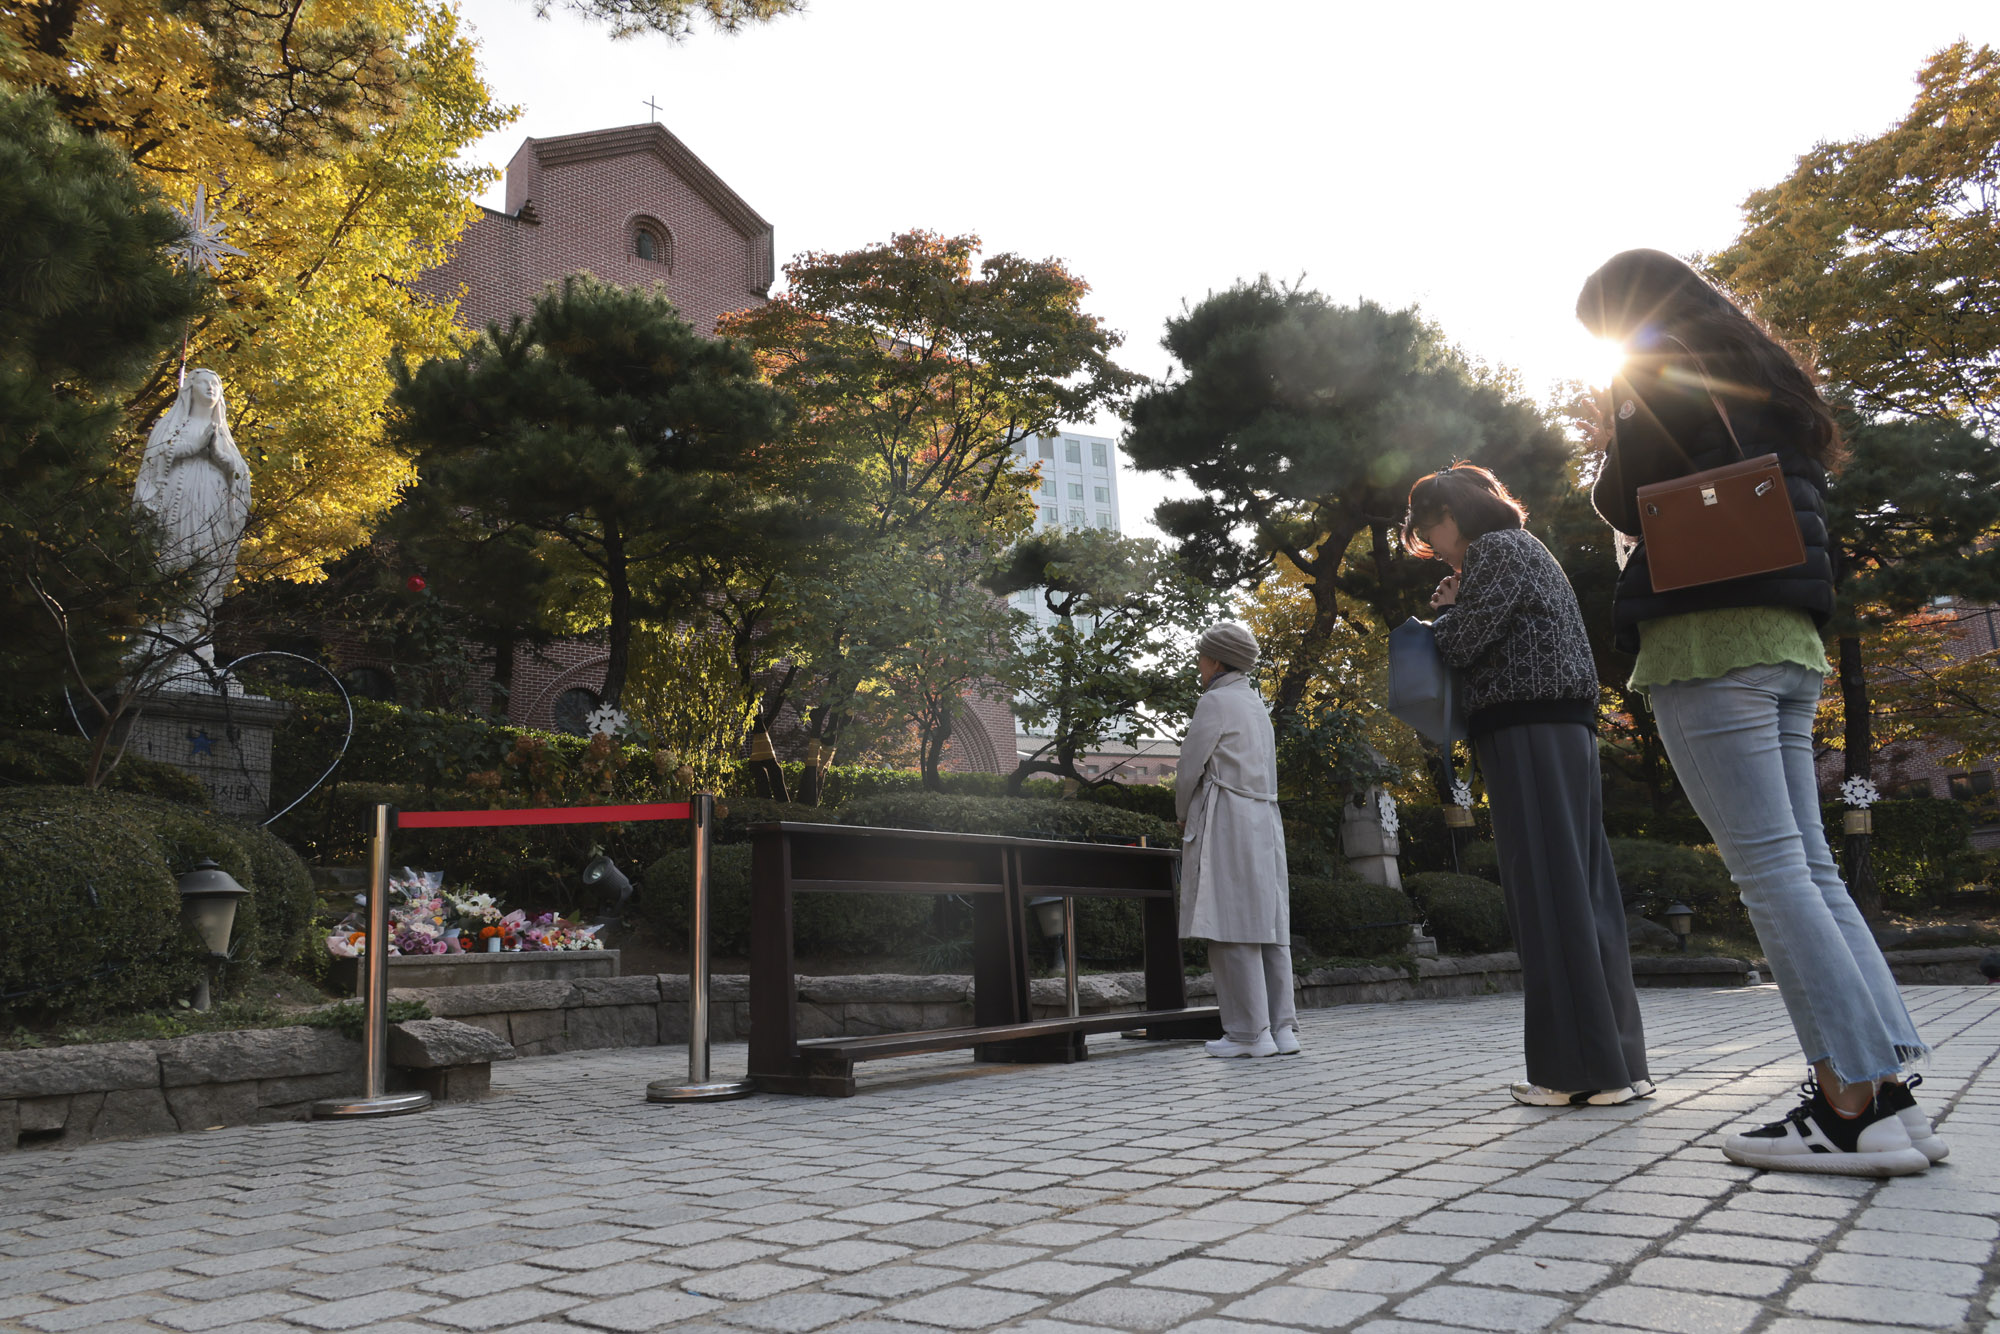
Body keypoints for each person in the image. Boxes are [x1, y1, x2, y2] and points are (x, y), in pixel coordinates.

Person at [1578, 248, 1940, 1177]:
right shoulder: (1769, 378)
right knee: (1810, 869)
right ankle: (1887, 1092)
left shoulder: (1653, 369)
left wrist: (1613, 425)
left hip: (1707, 640)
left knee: (1773, 876)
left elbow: (1626, 494)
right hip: (1789, 638)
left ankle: (1846, 1105)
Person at [1407, 464, 1652, 1107]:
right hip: (1561, 727)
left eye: (1429, 528)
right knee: (1583, 889)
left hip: (1526, 728)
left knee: (1545, 893)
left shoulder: (1494, 551)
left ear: (1451, 516)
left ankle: (1579, 1073)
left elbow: (1462, 646)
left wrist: (1446, 615)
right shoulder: (1522, 547)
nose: (1431, 542)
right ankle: (1621, 1063)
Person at [1176, 620, 1296, 1058]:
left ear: (1216, 660)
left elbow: (1190, 767)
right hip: (1264, 817)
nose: (1199, 663)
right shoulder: (1254, 703)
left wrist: (1181, 812)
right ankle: (1282, 1028)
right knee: (1267, 923)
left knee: (1229, 921)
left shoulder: (1216, 702)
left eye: (1202, 655)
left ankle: (1248, 1033)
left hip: (1228, 817)